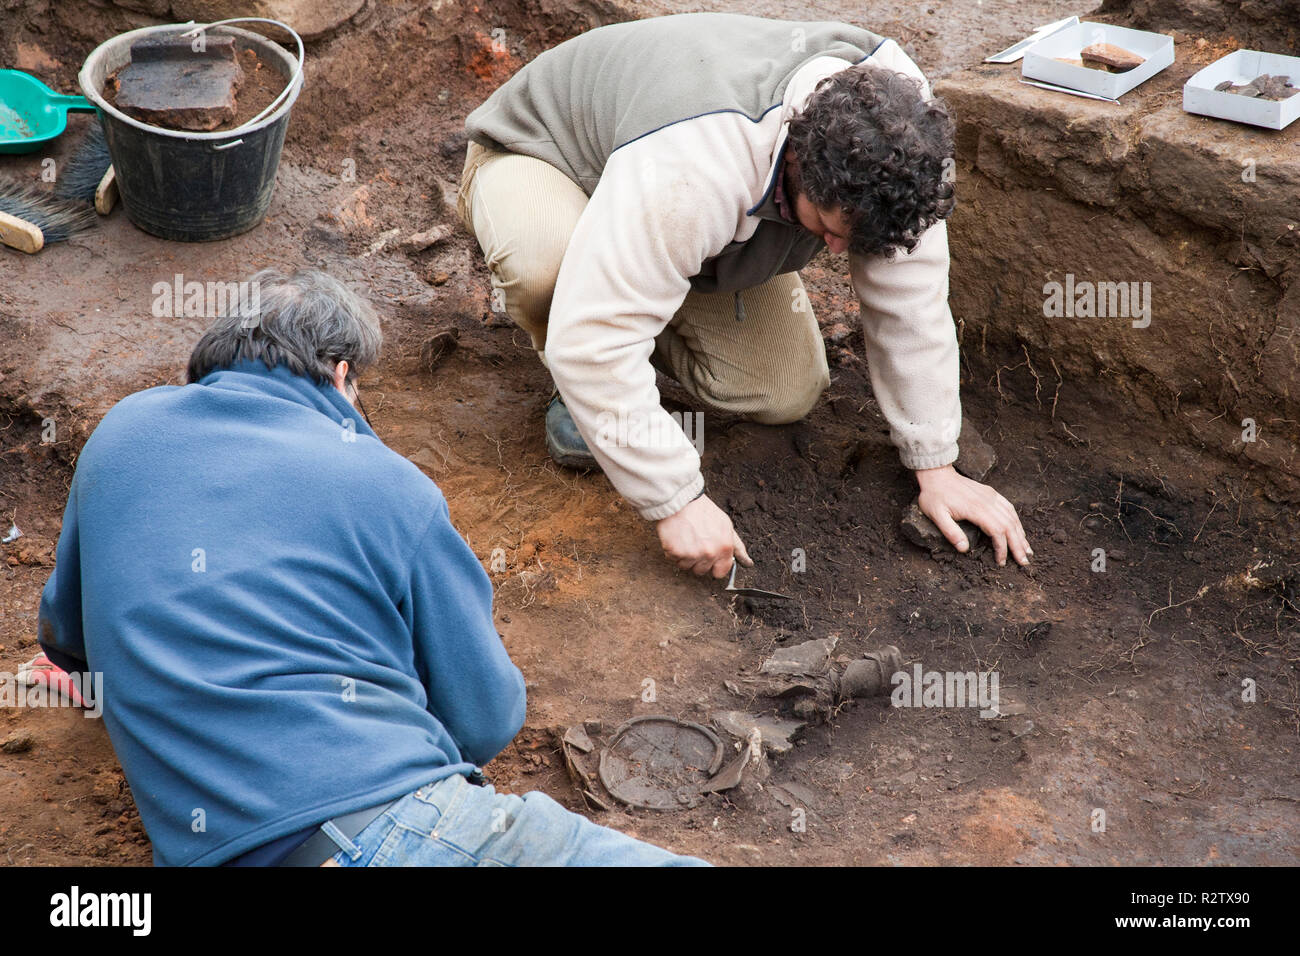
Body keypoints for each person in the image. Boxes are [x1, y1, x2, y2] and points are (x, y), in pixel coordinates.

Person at [37, 268, 706, 867]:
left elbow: (67, 639)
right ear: (337, 374)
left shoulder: (120, 437)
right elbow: (485, 717)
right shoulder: (383, 480)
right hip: (387, 833)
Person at [458, 12, 1033, 578]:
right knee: (549, 275)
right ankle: (588, 366)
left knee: (783, 391)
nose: (836, 253)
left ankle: (642, 289)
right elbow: (591, 341)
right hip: (545, 155)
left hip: (670, 218)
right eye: (830, 229)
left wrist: (937, 465)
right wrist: (676, 499)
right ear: (803, 164)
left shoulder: (907, 148)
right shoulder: (697, 166)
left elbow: (912, 304)